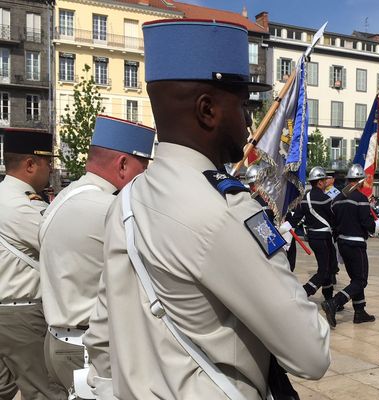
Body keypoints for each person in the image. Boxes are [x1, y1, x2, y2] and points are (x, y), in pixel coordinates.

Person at [97, 19, 330, 399]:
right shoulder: (224, 211)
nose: (249, 123)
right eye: (242, 107)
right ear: (208, 111)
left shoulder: (126, 200)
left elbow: (103, 328)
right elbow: (312, 354)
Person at [39, 116, 155, 399]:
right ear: (123, 165)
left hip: (56, 340)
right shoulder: (111, 208)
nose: (147, 178)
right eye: (144, 169)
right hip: (87, 351)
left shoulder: (67, 195)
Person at [0, 129, 64, 400]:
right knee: (45, 392)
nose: (50, 169)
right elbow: (62, 247)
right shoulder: (22, 206)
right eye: (47, 162)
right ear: (29, 165)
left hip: (7, 309)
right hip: (21, 315)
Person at [322, 164, 379, 328]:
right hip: (356, 244)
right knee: (361, 280)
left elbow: (334, 223)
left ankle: (360, 311)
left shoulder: (336, 201)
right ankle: (335, 302)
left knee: (355, 278)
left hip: (342, 243)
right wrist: (377, 225)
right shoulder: (361, 199)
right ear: (360, 181)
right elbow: (367, 224)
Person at [288, 166, 337, 300]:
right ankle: (303, 293)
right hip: (324, 238)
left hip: (313, 238)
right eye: (324, 180)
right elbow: (334, 218)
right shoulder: (326, 199)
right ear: (319, 182)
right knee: (324, 270)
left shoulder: (304, 198)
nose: (326, 182)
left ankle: (329, 299)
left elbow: (295, 219)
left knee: (327, 268)